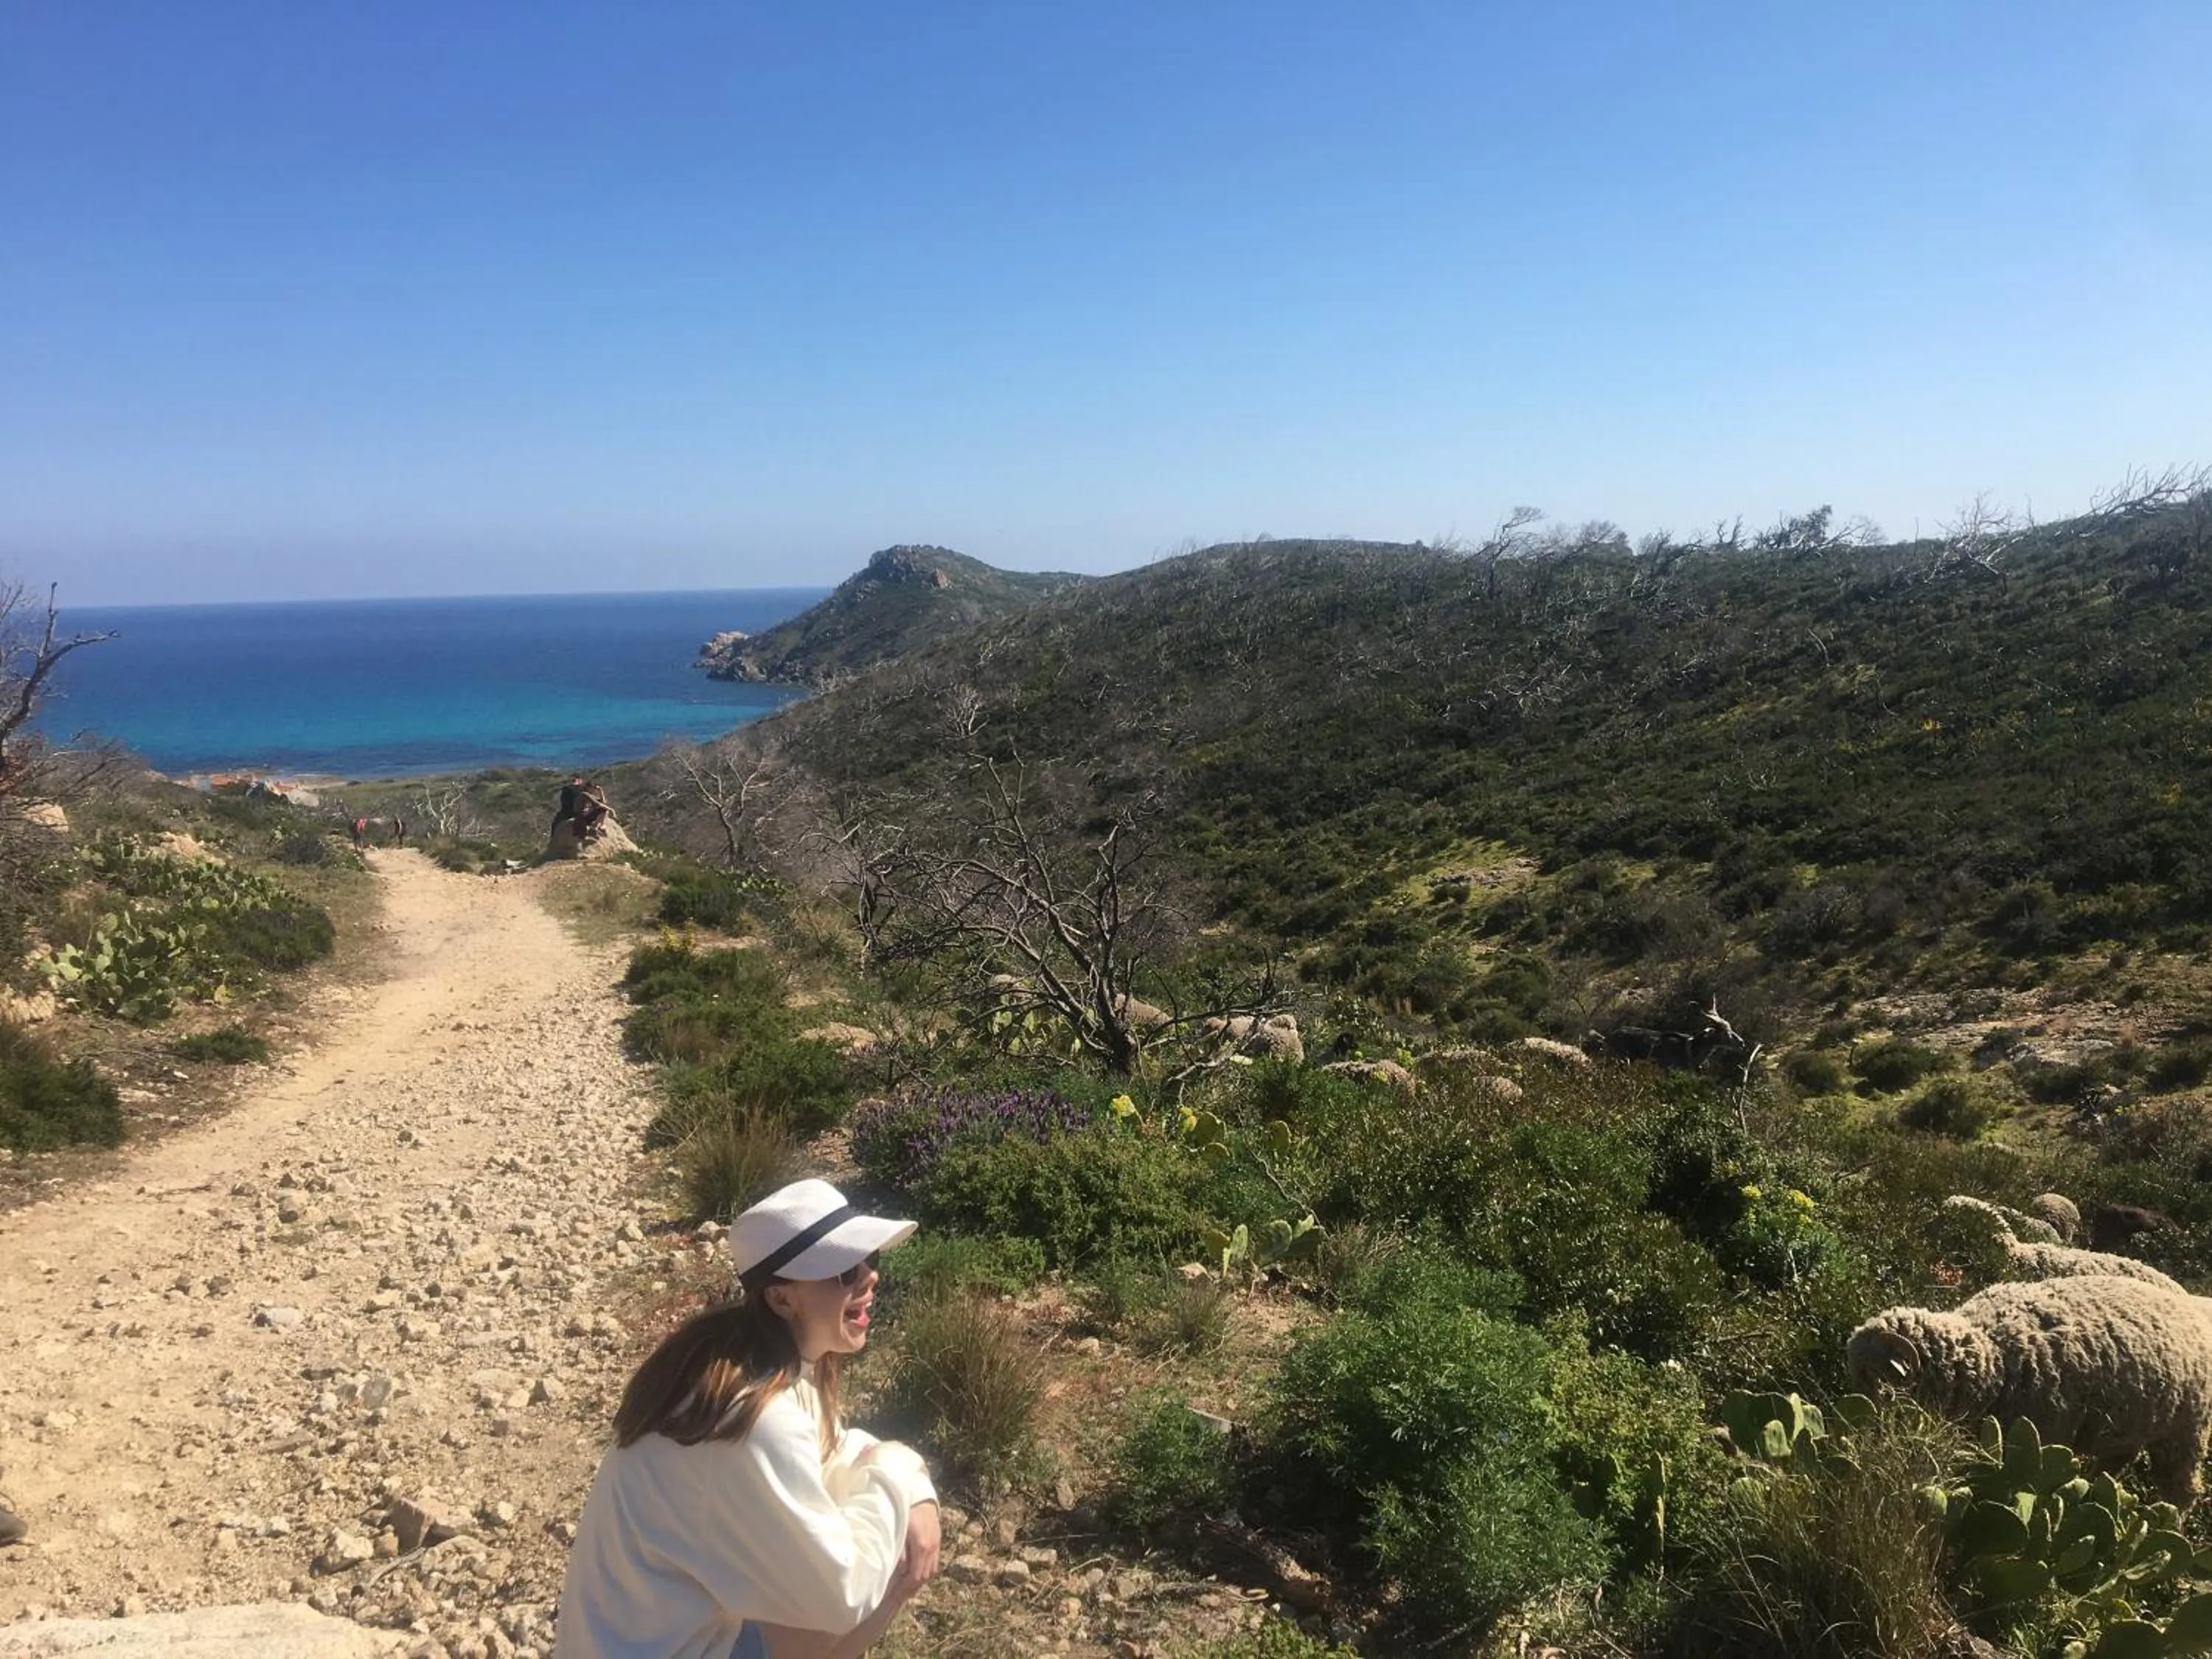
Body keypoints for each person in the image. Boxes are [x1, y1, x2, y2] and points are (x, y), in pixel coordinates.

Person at [554, 1180, 940, 1659]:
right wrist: (904, 1471)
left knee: (873, 1525)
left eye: (871, 1261)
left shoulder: (743, 1363)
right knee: (888, 1561)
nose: (870, 1277)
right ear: (781, 1300)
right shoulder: (754, 1416)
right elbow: (846, 1595)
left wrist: (912, 1487)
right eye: (844, 1271)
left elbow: (832, 1449)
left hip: (638, 1640)